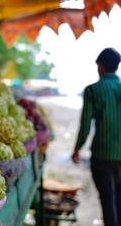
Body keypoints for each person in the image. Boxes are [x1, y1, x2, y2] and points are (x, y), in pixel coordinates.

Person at [72, 47, 121, 226]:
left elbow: (85, 126)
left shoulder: (93, 90)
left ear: (100, 66)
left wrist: (77, 149)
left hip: (102, 156)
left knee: (108, 202)